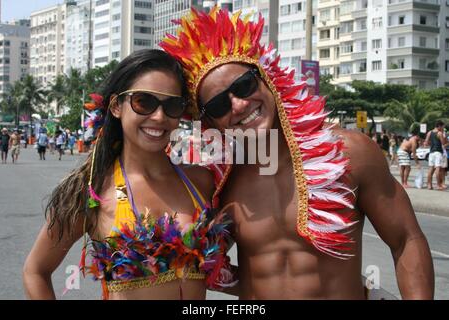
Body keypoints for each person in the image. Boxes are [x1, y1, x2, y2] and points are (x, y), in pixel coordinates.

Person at [161, 7, 434, 299]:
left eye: (244, 85)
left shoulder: (349, 153)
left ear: (267, 77)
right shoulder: (218, 181)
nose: (239, 105)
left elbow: (406, 239)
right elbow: (197, 262)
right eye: (218, 105)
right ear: (209, 121)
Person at [23, 49, 236, 300]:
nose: (158, 116)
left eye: (172, 105)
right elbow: (35, 271)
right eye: (143, 102)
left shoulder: (202, 182)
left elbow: (225, 270)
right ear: (116, 106)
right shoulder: (92, 191)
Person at [425, 120, 447, 190]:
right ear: (439, 126)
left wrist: (431, 144)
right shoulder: (439, 133)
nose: (443, 128)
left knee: (430, 169)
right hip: (438, 152)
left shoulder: (429, 132)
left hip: (431, 152)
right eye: (442, 127)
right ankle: (438, 185)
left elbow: (426, 143)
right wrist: (445, 137)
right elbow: (443, 143)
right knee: (438, 168)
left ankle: (429, 185)